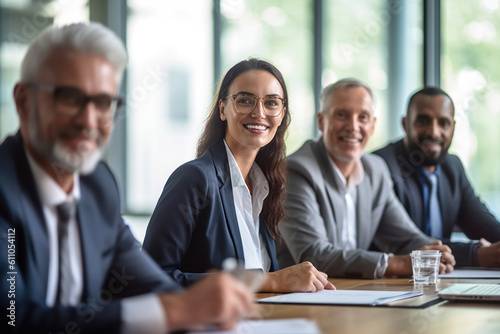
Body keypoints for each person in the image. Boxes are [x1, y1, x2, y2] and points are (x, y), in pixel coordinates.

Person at [0, 22, 255, 334]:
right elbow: (12, 319)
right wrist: (174, 309)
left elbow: (145, 282)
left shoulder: (97, 185)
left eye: (103, 103)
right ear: (24, 101)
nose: (88, 120)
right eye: (69, 98)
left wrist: (202, 310)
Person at [143, 58, 335, 293]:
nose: (259, 112)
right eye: (245, 100)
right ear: (223, 109)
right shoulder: (194, 179)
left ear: (282, 114)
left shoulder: (267, 185)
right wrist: (271, 280)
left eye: (271, 103)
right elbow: (150, 279)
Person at [277, 78, 456, 279]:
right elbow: (314, 255)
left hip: (354, 294)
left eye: (363, 117)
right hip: (297, 301)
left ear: (372, 125)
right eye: (342, 115)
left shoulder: (376, 169)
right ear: (321, 121)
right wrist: (395, 264)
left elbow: (406, 238)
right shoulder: (296, 170)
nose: (353, 126)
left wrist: (436, 254)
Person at [373, 87, 500, 268]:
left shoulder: (452, 167)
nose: (434, 132)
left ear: (453, 127)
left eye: (443, 123)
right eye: (423, 121)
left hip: (439, 282)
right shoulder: (381, 166)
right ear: (405, 124)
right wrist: (475, 254)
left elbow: (484, 225)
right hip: (389, 285)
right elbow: (404, 241)